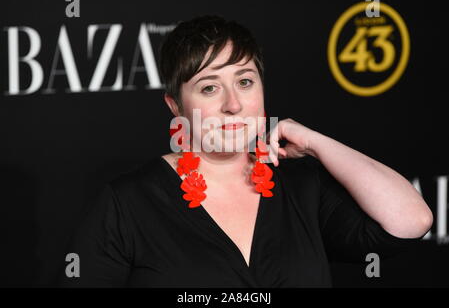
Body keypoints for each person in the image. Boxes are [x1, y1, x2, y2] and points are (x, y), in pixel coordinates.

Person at [57, 15, 433, 287]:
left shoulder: (302, 185)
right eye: (209, 88)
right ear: (175, 106)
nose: (234, 104)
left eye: (245, 81)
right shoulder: (128, 203)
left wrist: (316, 143)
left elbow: (411, 221)